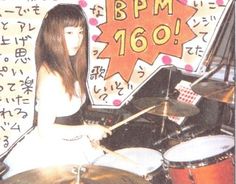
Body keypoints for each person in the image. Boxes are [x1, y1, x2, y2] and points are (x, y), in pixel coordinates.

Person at [3, 4, 111, 178]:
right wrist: (86, 131)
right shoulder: (51, 77)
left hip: (73, 142)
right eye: (69, 33)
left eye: (80, 32)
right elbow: (44, 130)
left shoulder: (69, 65)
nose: (77, 40)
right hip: (52, 152)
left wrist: (88, 133)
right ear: (54, 35)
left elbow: (70, 115)